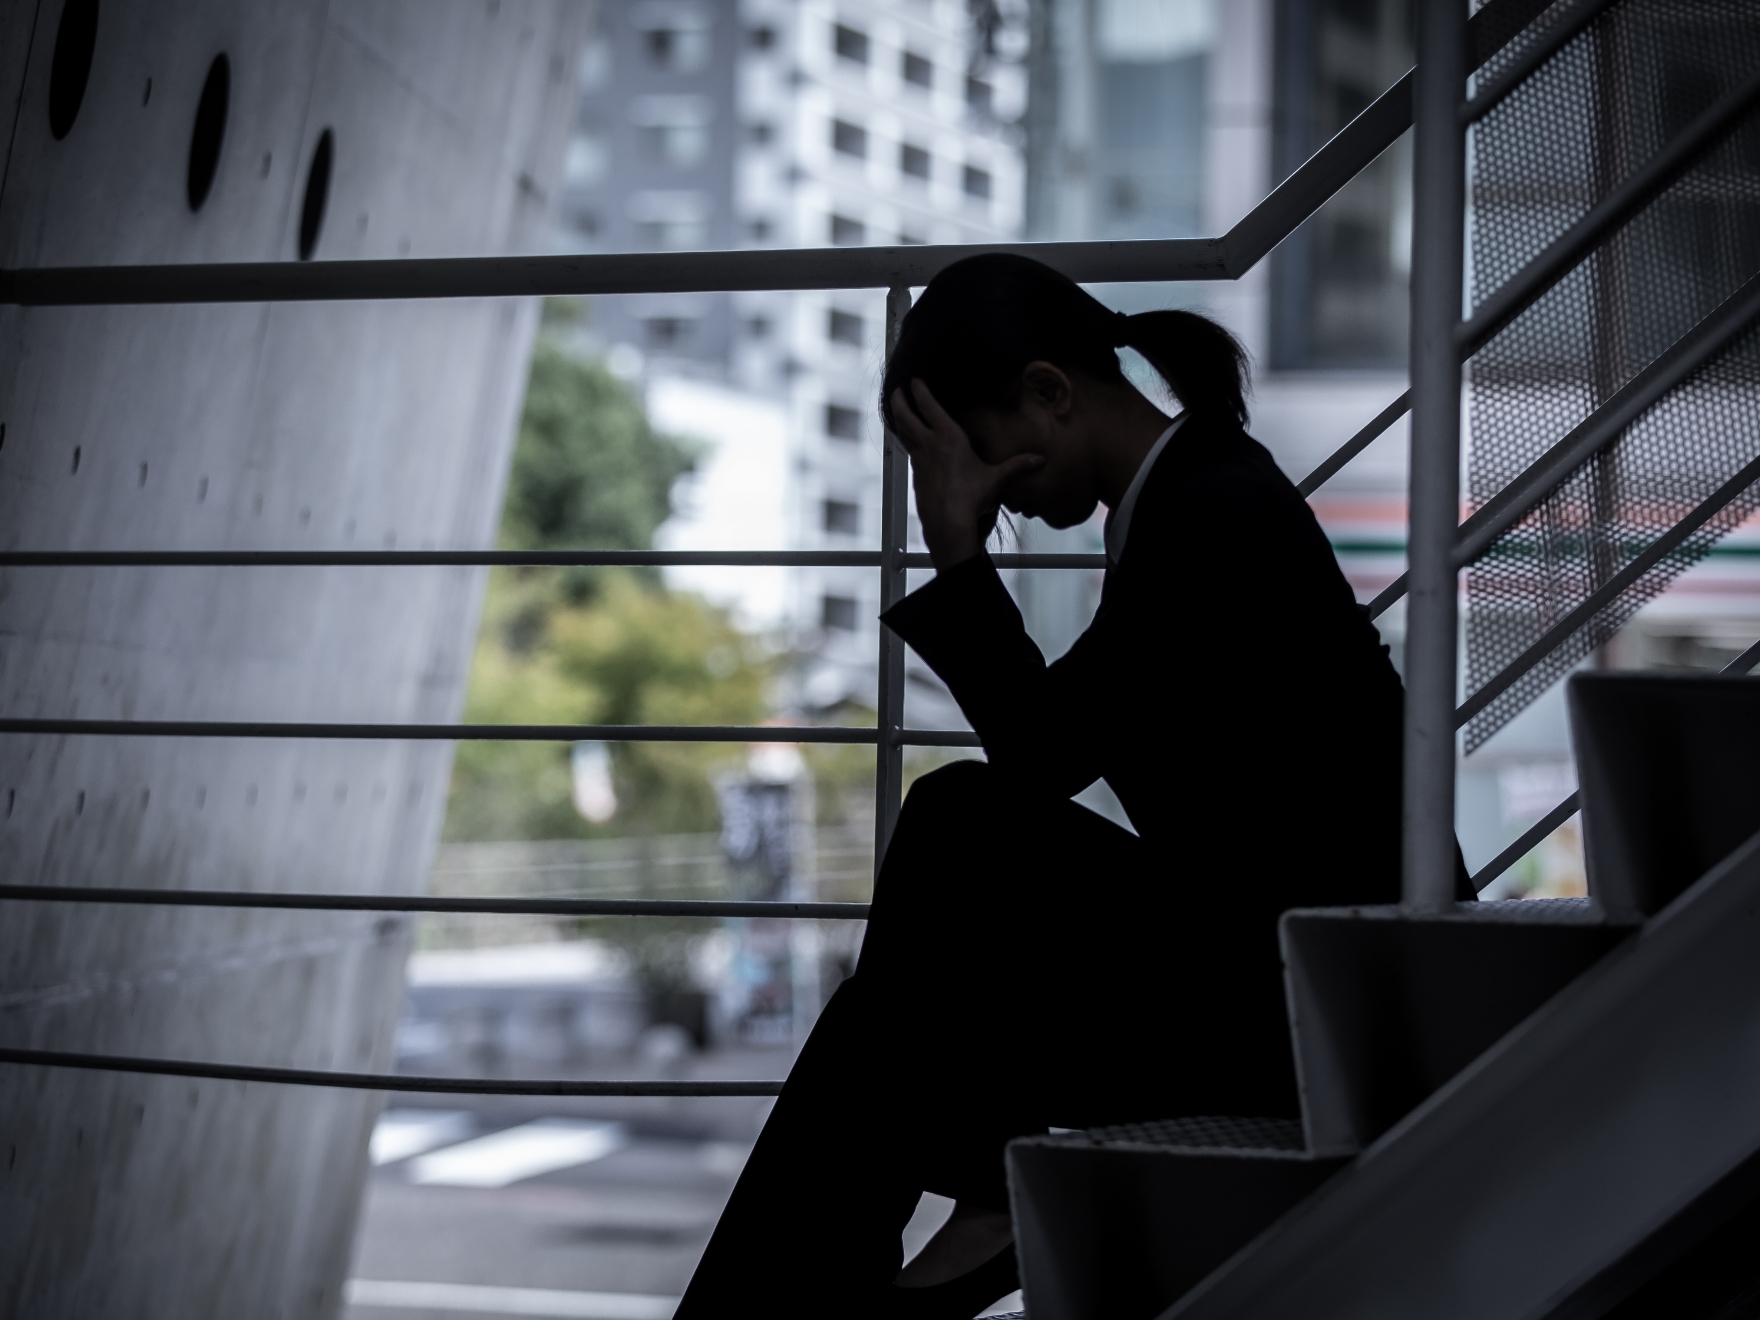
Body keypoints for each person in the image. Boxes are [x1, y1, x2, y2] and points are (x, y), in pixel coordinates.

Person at [675, 254, 1416, 1319]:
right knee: (898, 979)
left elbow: (1044, 753)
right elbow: (1063, 751)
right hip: (1264, 958)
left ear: (1050, 394)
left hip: (1302, 997)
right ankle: (964, 1205)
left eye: (990, 468)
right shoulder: (1197, 490)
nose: (994, 500)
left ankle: (919, 1230)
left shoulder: (1209, 510)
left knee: (950, 842)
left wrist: (956, 556)